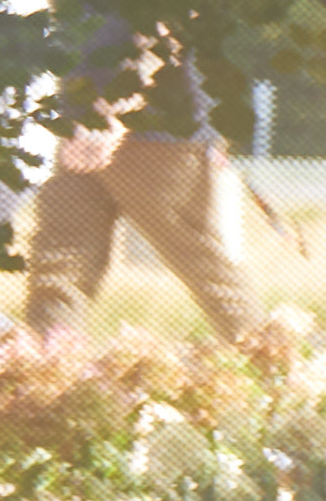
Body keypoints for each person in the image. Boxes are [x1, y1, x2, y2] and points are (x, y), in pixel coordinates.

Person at [21, 38, 279, 342]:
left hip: (159, 134)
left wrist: (111, 114)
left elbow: (167, 34)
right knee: (59, 270)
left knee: (208, 271)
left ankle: (273, 375)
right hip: (80, 129)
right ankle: (46, 374)